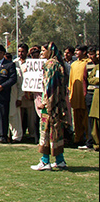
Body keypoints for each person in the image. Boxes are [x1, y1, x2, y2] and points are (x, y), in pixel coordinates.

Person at [31, 42, 70, 171]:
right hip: (58, 105)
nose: (41, 53)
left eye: (43, 51)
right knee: (56, 132)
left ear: (50, 51)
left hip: (50, 106)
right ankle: (60, 160)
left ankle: (45, 161)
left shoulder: (50, 64)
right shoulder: (58, 64)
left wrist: (46, 103)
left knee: (46, 132)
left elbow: (50, 87)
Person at [69, 45, 90, 148]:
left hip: (84, 95)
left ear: (84, 52)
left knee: (86, 118)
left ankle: (88, 139)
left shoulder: (88, 63)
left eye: (78, 50)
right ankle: (78, 139)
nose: (76, 52)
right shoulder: (74, 64)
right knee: (76, 119)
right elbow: (71, 80)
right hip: (75, 95)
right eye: (76, 50)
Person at [86, 46, 99, 150]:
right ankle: (96, 143)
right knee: (94, 120)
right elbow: (90, 79)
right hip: (95, 96)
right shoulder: (96, 67)